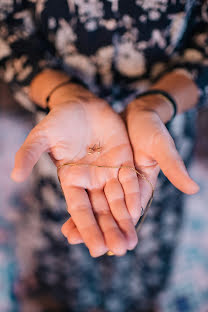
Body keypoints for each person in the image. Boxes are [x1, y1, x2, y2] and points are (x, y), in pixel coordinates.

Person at [1, 0, 208, 311]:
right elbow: (8, 26)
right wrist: (64, 94)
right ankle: (67, 297)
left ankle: (138, 299)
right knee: (68, 224)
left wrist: (157, 103)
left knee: (144, 223)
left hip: (157, 135)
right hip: (66, 134)